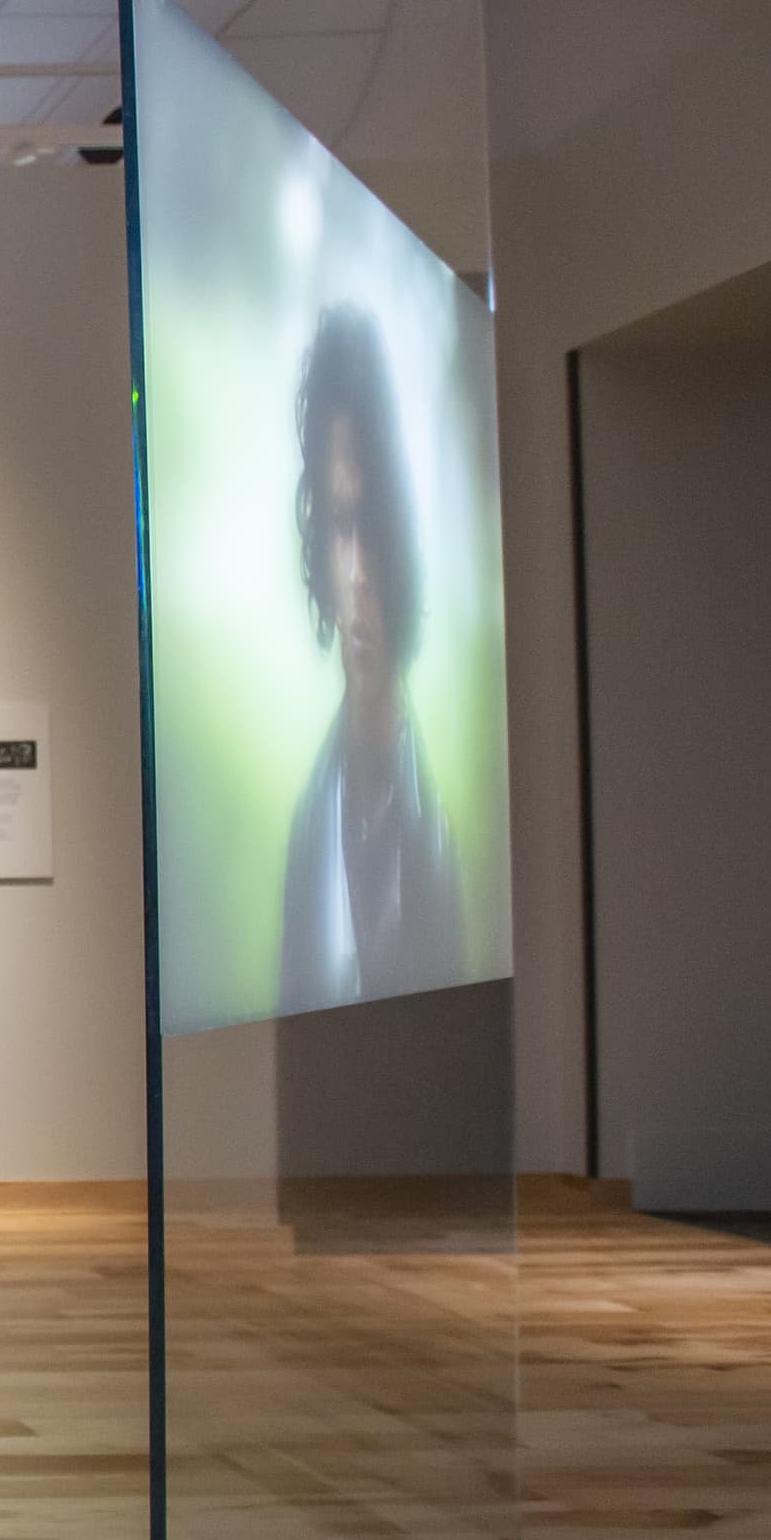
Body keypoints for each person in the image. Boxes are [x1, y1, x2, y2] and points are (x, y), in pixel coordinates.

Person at [277, 306, 463, 1014]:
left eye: (372, 526)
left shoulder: (446, 834)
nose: (357, 571)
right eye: (339, 525)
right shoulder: (308, 836)